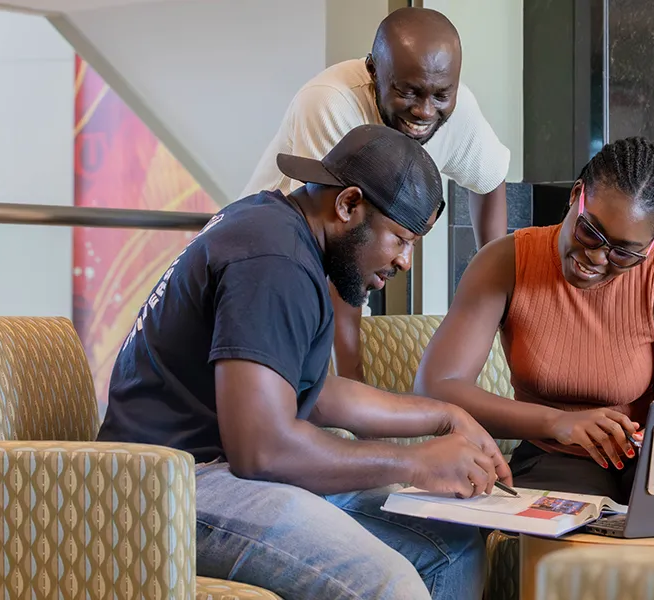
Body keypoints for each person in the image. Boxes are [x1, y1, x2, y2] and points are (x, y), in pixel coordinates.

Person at [97, 124, 512, 600]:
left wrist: (445, 416)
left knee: (449, 545)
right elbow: (264, 449)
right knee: (386, 584)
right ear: (348, 204)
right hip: (166, 485)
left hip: (210, 470)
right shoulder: (274, 259)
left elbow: (312, 393)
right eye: (400, 239)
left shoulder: (278, 230)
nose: (405, 263)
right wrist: (416, 463)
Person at [415, 137, 654, 503]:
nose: (597, 258)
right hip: (552, 460)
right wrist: (557, 423)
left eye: (623, 253)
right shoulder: (506, 262)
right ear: (575, 196)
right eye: (590, 231)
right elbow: (436, 385)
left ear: (650, 247)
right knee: (580, 546)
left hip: (647, 469)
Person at [242, 6, 510, 383]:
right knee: (307, 395)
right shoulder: (330, 102)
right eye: (408, 92)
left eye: (440, 95)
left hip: (347, 260)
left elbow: (490, 177)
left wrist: (491, 292)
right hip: (275, 263)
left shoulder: (455, 105)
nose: (424, 111)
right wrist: (357, 394)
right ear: (373, 71)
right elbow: (339, 242)